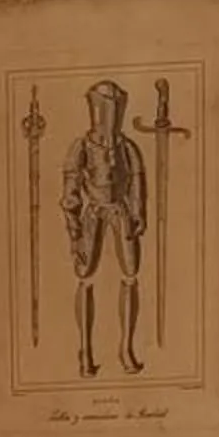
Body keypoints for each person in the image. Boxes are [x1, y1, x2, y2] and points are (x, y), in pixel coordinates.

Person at [58, 79, 146, 378]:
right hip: (93, 212)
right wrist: (73, 226)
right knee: (85, 276)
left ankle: (126, 348)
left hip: (120, 211)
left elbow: (136, 183)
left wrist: (137, 213)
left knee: (130, 275)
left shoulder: (128, 147)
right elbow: (70, 191)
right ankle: (86, 350)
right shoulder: (80, 147)